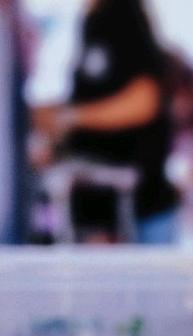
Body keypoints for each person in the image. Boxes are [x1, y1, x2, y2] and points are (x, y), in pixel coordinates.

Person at [33, 0, 177, 243]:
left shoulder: (124, 16)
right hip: (98, 214)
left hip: (135, 209)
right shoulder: (89, 23)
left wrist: (70, 117)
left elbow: (144, 101)